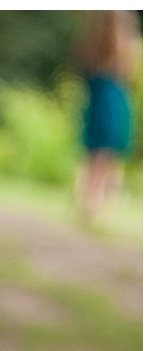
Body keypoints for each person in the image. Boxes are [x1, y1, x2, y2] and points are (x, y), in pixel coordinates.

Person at [74, 9, 139, 225]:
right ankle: (101, 209)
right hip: (113, 109)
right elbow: (128, 75)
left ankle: (89, 204)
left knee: (93, 160)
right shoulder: (123, 52)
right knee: (110, 162)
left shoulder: (90, 48)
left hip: (94, 107)